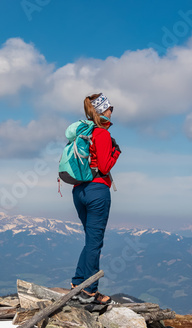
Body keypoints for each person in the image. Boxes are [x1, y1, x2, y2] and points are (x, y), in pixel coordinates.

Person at [71, 93, 121, 305]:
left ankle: (77, 283)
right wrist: (116, 152)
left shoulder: (85, 133)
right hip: (97, 190)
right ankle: (89, 291)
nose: (112, 111)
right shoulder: (101, 134)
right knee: (95, 242)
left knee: (90, 239)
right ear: (103, 111)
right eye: (110, 107)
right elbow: (104, 167)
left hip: (79, 190)